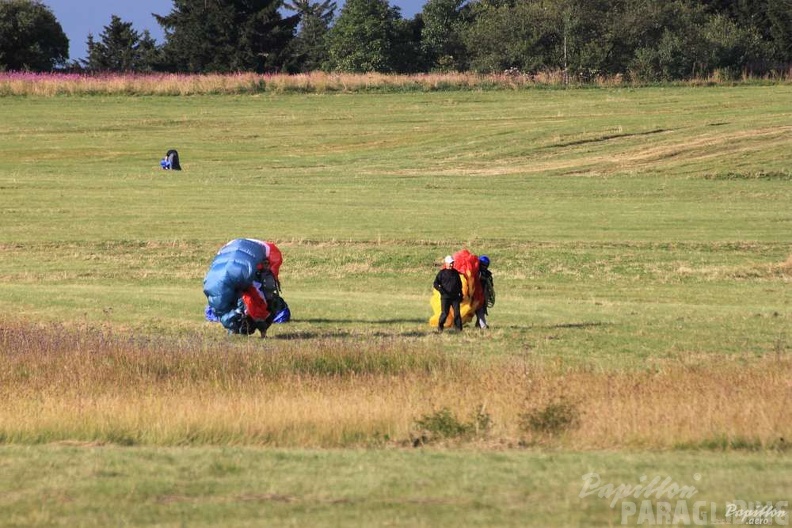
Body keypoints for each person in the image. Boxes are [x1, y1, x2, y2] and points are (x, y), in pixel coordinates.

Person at [433, 255, 463, 332]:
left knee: (457, 313)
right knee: (445, 313)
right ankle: (440, 326)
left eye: (452, 263)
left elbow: (459, 285)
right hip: (445, 297)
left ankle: (459, 329)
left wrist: (461, 294)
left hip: (455, 297)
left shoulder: (456, 273)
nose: (451, 265)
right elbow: (435, 283)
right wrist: (440, 290)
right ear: (446, 263)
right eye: (450, 263)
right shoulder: (441, 273)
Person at [475, 255, 495, 329]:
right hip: (475, 294)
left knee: (481, 310)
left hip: (483, 294)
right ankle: (483, 325)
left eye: (485, 265)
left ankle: (479, 324)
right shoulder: (475, 272)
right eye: (483, 265)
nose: (484, 267)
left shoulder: (488, 274)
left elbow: (491, 285)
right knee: (480, 310)